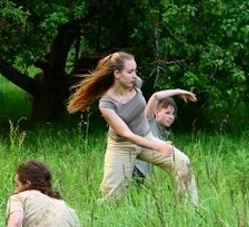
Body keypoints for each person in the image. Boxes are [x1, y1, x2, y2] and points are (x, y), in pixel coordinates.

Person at [67, 51, 199, 204]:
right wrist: (158, 146)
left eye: (135, 71)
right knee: (112, 199)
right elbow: (127, 134)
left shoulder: (135, 83)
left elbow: (156, 96)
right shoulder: (107, 103)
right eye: (130, 72)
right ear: (117, 73)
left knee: (182, 162)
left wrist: (179, 91)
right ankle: (91, 215)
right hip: (122, 147)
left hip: (146, 137)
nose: (135, 76)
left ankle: (189, 209)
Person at [134, 95, 178, 180]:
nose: (171, 117)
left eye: (173, 114)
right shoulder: (149, 122)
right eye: (167, 113)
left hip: (145, 175)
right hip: (135, 168)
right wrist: (178, 91)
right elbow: (155, 97)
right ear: (156, 113)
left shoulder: (164, 132)